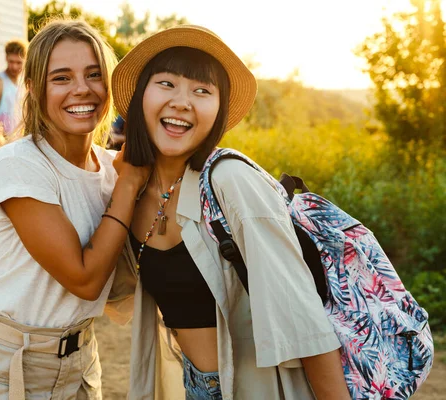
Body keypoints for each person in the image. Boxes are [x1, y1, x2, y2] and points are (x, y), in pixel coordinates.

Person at [109, 25, 351, 399]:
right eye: (167, 83)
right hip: (195, 385)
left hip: (255, 388)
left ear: (218, 110)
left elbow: (305, 324)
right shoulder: (135, 189)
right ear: (142, 94)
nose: (182, 101)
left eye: (202, 90)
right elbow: (108, 292)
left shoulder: (231, 182)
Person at [0, 20, 149, 400]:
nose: (81, 89)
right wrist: (131, 184)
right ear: (34, 89)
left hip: (81, 361)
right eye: (61, 78)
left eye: (94, 74)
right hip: (2, 366)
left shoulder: (110, 168)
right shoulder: (21, 164)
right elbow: (83, 280)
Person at [0, 39, 27, 135]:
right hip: (1, 140)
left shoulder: (25, 83)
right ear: (6, 58)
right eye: (11, 61)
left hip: (20, 139)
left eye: (19, 62)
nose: (14, 67)